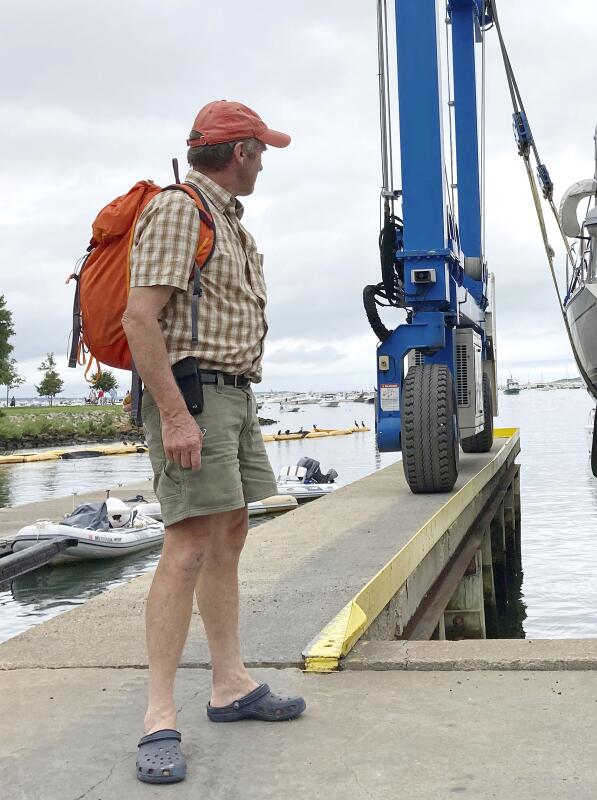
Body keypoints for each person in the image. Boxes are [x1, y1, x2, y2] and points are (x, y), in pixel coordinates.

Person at [122, 100, 304, 785]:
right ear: (240, 152)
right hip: (192, 394)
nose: (264, 163)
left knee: (229, 531)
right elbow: (140, 319)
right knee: (189, 541)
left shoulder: (227, 220)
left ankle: (229, 684)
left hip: (232, 394)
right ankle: (158, 717)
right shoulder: (181, 209)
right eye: (261, 151)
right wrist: (174, 416)